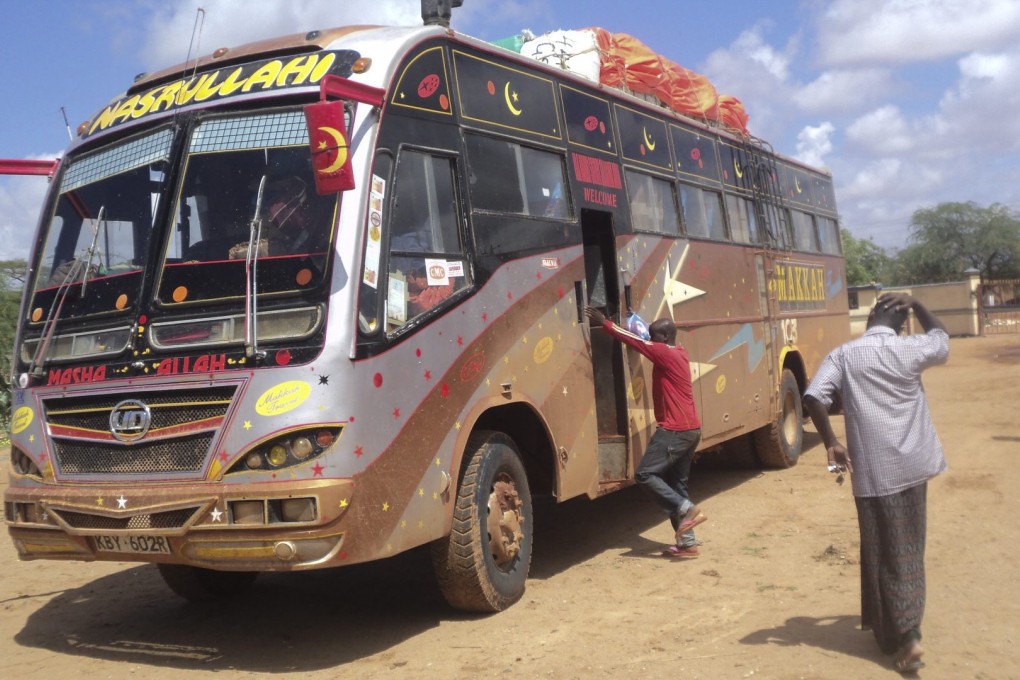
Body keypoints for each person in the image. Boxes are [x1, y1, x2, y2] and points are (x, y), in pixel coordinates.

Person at [803, 292, 949, 674]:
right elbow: (942, 338)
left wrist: (832, 442)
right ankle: (892, 631)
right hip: (915, 464)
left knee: (887, 551)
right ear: (901, 323)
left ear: (869, 317)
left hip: (874, 472)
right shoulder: (911, 348)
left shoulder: (844, 356)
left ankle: (907, 636)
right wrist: (919, 304)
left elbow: (813, 396)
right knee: (908, 545)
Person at [585, 306, 705, 557]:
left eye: (653, 336)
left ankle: (687, 509)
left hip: (675, 430)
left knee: (645, 474)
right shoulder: (677, 351)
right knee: (677, 485)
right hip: (691, 429)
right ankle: (688, 544)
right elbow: (646, 335)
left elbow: (635, 340)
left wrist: (604, 323)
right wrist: (636, 318)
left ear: (662, 339)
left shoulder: (663, 353)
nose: (650, 340)